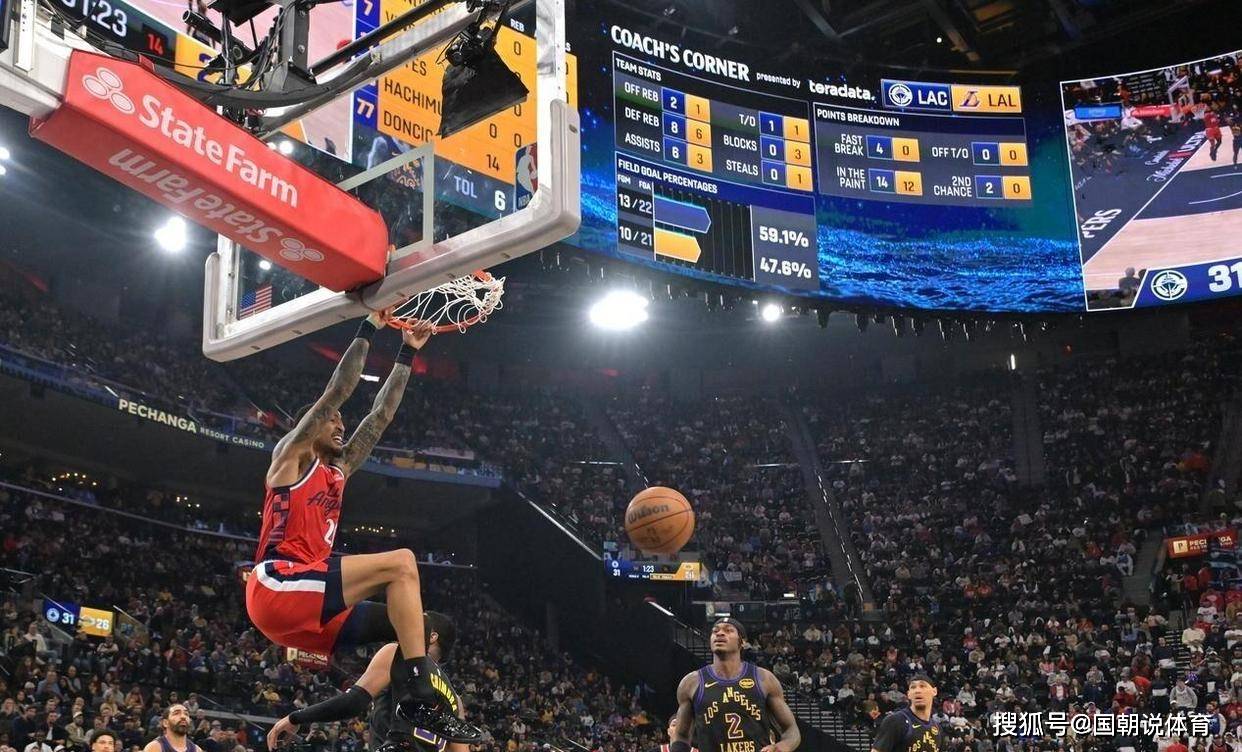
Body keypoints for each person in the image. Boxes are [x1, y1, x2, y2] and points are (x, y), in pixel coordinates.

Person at [244, 313, 477, 743]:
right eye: (333, 421)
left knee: (414, 627)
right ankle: (422, 697)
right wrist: (369, 325)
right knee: (402, 563)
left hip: (307, 612)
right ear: (309, 428)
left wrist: (407, 352)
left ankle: (403, 726)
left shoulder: (339, 470)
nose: (341, 425)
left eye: (341, 422)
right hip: (277, 585)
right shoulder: (291, 458)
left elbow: (380, 415)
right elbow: (338, 390)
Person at [266, 612, 466, 752]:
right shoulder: (455, 701)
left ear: (432, 636)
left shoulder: (398, 654)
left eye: (418, 620)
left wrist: (295, 718)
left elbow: (354, 701)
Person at [671, 619, 800, 752]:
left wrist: (779, 748)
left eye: (728, 630)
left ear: (742, 641)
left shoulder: (764, 678)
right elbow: (681, 736)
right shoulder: (691, 682)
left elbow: (791, 730)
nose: (720, 633)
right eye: (715, 631)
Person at [870, 674, 941, 752]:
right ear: (908, 694)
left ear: (934, 691)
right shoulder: (895, 721)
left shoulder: (937, 729)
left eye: (922, 686)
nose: (917, 690)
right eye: (913, 687)